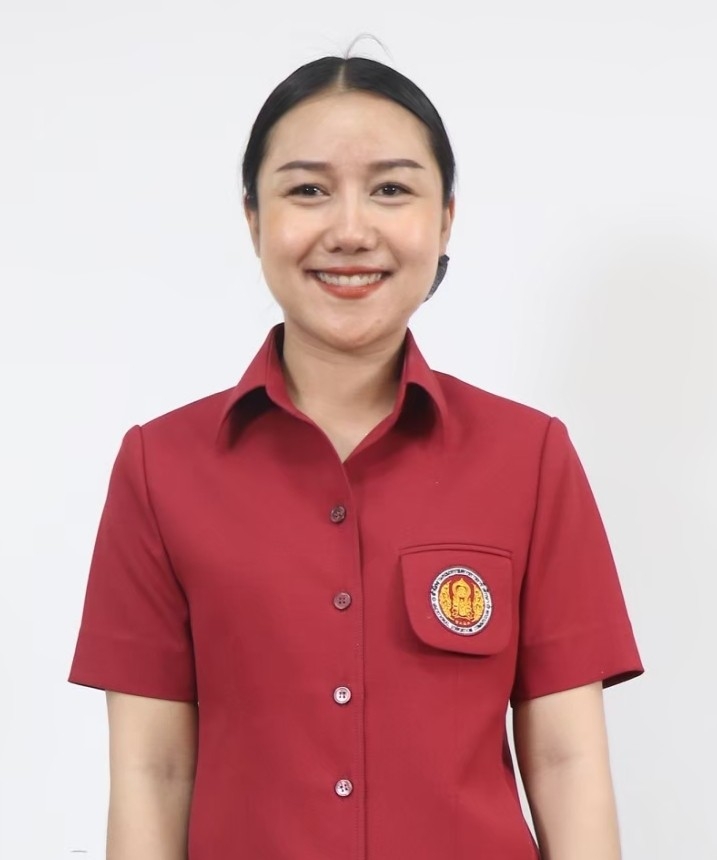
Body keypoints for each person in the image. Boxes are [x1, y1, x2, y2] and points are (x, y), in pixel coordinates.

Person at [68, 53, 643, 860]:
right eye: (307, 190)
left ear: (444, 219)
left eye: (391, 189)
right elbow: (153, 771)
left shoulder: (530, 458)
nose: (348, 230)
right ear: (252, 219)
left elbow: (565, 759)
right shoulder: (160, 468)